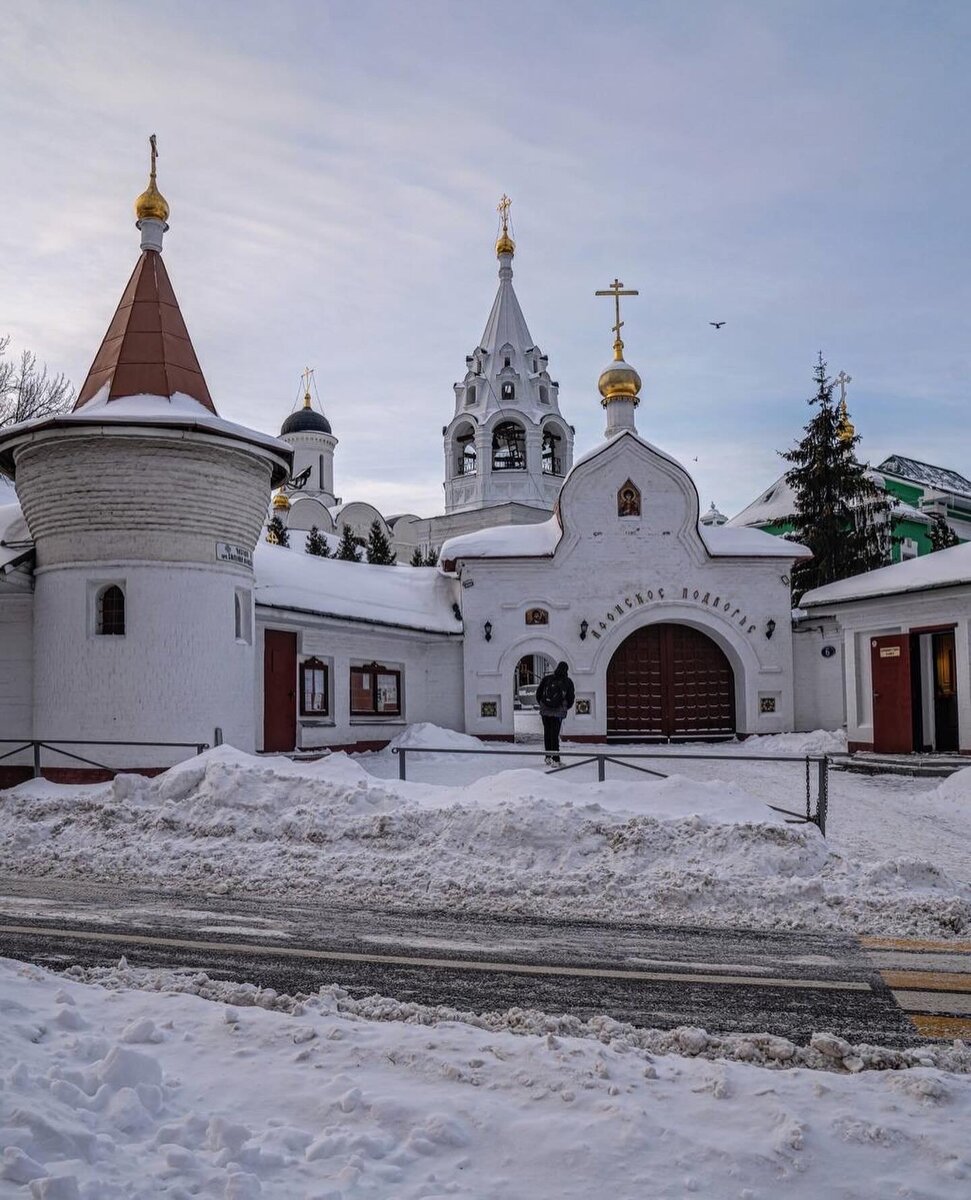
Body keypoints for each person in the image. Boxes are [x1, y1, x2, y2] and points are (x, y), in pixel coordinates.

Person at [536, 660, 575, 767]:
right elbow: (571, 698)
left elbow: (538, 694)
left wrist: (543, 704)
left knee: (547, 734)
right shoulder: (567, 682)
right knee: (555, 735)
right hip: (558, 712)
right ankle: (556, 759)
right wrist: (565, 707)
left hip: (545, 711)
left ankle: (548, 757)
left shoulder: (547, 679)